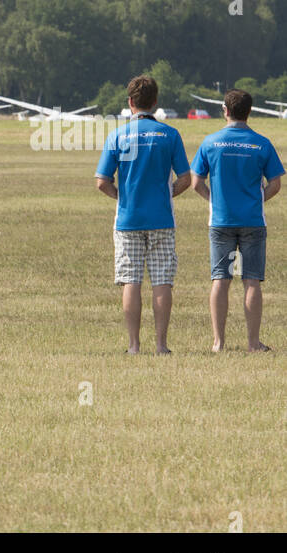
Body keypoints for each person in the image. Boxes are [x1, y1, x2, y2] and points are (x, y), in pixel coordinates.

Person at [95, 75, 191, 354]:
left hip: (128, 219)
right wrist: (167, 193)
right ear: (155, 103)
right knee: (162, 280)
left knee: (131, 281)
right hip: (162, 218)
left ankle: (134, 345)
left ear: (130, 102)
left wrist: (121, 196)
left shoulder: (117, 135)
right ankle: (161, 345)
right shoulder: (170, 135)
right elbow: (185, 178)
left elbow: (102, 181)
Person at [191, 89, 285, 352]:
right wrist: (258, 200)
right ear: (249, 111)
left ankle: (218, 342)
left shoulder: (210, 142)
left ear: (225, 111)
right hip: (253, 220)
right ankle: (253, 343)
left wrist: (213, 200)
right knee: (252, 280)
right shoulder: (261, 143)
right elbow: (276, 183)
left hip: (221, 220)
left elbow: (196, 183)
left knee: (220, 279)